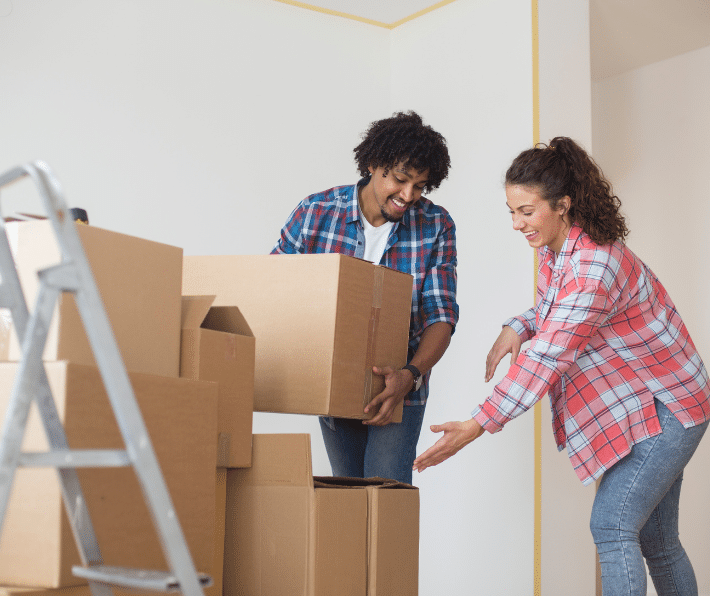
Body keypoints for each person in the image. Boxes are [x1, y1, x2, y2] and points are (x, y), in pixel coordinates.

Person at [413, 137, 710, 596]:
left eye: (527, 211)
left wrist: (476, 424)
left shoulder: (594, 264)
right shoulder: (560, 251)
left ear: (563, 205)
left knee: (612, 526)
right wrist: (518, 324)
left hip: (671, 406)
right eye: (511, 212)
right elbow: (555, 314)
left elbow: (550, 354)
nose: (516, 224)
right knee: (657, 539)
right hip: (648, 402)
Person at [272, 111, 459, 485]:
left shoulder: (435, 225)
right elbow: (275, 288)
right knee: (349, 496)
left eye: (420, 186)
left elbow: (441, 315)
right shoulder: (316, 213)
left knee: (386, 494)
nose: (408, 196)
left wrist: (410, 375)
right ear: (374, 164)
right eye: (400, 180)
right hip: (335, 376)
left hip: (400, 385)